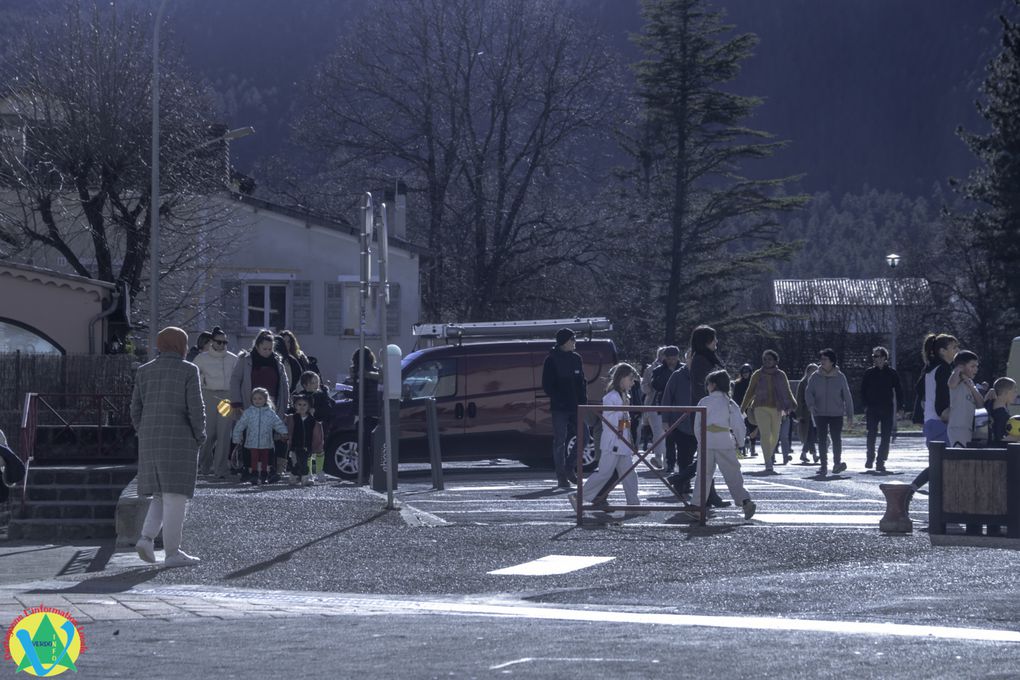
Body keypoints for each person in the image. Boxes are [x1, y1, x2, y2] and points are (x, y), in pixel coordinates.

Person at [130, 327, 206, 568]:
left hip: (150, 437)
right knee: (176, 497)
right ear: (181, 345)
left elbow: (135, 408)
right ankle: (172, 552)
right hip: (180, 437)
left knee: (160, 495)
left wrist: (142, 430)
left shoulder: (145, 371)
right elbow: (196, 407)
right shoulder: (188, 370)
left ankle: (146, 538)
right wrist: (199, 434)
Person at [569, 363, 645, 515]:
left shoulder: (623, 396)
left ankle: (633, 505)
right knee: (604, 473)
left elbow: (624, 423)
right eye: (630, 378)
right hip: (613, 444)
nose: (632, 382)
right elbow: (611, 420)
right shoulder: (611, 397)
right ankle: (578, 497)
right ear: (622, 378)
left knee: (630, 474)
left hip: (621, 444)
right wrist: (624, 409)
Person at [687, 369, 756, 521]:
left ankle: (697, 506)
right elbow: (739, 425)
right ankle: (745, 501)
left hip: (707, 441)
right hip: (725, 440)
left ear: (712, 385)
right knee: (733, 474)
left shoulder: (704, 402)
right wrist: (740, 441)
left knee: (703, 476)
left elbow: (697, 426)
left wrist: (700, 441)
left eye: (708, 384)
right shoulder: (730, 403)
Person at [230, 330, 291, 482]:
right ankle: (247, 470)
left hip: (271, 406)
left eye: (270, 349)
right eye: (264, 348)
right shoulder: (246, 359)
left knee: (269, 440)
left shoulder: (277, 361)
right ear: (257, 346)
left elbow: (284, 384)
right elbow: (235, 380)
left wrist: (284, 405)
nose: (267, 352)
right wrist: (237, 402)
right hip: (249, 405)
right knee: (248, 439)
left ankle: (268, 470)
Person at [910, 333, 959, 491]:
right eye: (953, 347)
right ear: (943, 351)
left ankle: (914, 489)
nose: (956, 350)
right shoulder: (944, 368)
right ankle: (912, 490)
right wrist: (946, 414)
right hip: (940, 421)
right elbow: (941, 398)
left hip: (931, 421)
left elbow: (920, 389)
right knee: (944, 463)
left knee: (939, 463)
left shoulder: (931, 367)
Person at [542, 328, 588, 489]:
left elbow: (582, 382)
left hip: (576, 407)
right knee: (559, 442)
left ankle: (570, 467)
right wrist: (561, 399)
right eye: (572, 339)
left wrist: (583, 402)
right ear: (564, 342)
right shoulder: (551, 360)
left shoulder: (576, 358)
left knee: (585, 436)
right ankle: (561, 476)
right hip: (560, 408)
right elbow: (547, 386)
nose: (575, 342)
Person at [739, 350, 796, 474]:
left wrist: (793, 403)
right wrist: (742, 408)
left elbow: (787, 390)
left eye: (770, 359)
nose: (767, 361)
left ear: (775, 361)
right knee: (765, 434)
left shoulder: (781, 374)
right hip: (760, 406)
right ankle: (768, 462)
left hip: (777, 408)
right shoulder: (757, 374)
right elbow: (750, 392)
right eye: (765, 359)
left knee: (775, 436)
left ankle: (768, 455)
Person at [193, 327, 238, 479]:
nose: (222, 345)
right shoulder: (201, 358)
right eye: (219, 342)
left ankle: (221, 469)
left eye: (225, 342)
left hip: (226, 397)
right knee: (209, 433)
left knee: (224, 432)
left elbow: (237, 379)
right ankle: (204, 466)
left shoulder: (232, 358)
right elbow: (193, 379)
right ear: (211, 342)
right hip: (208, 395)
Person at [805, 348, 854, 477]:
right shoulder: (815, 376)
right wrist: (811, 405)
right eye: (821, 359)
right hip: (820, 413)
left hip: (836, 413)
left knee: (836, 439)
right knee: (821, 440)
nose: (822, 362)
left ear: (832, 361)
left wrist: (850, 414)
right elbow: (808, 392)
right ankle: (823, 466)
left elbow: (847, 396)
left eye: (825, 359)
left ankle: (837, 464)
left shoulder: (840, 377)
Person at [859, 346, 904, 472]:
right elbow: (862, 390)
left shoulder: (891, 373)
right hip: (872, 408)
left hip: (887, 409)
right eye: (873, 356)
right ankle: (870, 457)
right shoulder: (869, 373)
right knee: (871, 434)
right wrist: (865, 405)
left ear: (884, 358)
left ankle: (881, 461)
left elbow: (899, 390)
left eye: (877, 356)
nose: (875, 359)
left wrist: (901, 407)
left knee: (886, 436)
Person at [232, 387, 289, 485]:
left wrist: (284, 432)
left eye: (260, 398)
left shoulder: (270, 413)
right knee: (253, 458)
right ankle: (254, 474)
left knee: (265, 459)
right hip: (252, 441)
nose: (257, 401)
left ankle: (264, 475)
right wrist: (236, 437)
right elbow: (240, 425)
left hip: (266, 441)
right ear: (251, 400)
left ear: (265, 400)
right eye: (255, 399)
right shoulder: (249, 412)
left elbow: (277, 423)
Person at [345, 347, 382, 481]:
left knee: (362, 447)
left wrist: (348, 386)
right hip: (376, 413)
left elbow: (358, 394)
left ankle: (364, 475)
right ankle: (374, 474)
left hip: (364, 414)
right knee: (373, 447)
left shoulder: (359, 375)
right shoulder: (376, 373)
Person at [294, 370, 335, 481]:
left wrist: (316, 411)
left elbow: (328, 409)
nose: (316, 384)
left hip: (319, 426)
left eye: (317, 381)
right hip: (305, 428)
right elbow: (295, 410)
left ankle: (319, 470)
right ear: (305, 384)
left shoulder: (321, 395)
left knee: (320, 449)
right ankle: (309, 472)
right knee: (307, 450)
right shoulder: (300, 396)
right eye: (313, 382)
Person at [650, 346, 682, 472]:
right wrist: (668, 373)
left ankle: (681, 463)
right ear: (665, 358)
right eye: (669, 359)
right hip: (664, 405)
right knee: (668, 437)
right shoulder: (659, 370)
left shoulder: (683, 369)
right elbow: (656, 385)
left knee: (681, 437)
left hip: (681, 406)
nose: (671, 361)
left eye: (674, 358)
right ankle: (669, 463)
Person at [946, 350, 983, 447]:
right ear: (961, 366)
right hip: (957, 427)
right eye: (972, 366)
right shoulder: (956, 380)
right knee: (960, 455)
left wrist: (971, 386)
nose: (976, 369)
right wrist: (957, 370)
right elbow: (951, 384)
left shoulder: (970, 383)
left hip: (969, 427)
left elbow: (980, 403)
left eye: (977, 366)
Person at [286, 393, 323, 486]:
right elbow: (287, 429)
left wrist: (315, 445)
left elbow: (316, 433)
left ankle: (303, 478)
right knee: (295, 462)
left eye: (304, 405)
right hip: (295, 446)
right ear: (295, 406)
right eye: (299, 405)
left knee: (304, 462)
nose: (302, 407)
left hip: (307, 445)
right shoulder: (292, 418)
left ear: (309, 406)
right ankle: (295, 477)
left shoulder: (312, 420)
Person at [641, 347, 668, 469]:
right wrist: (651, 386)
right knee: (658, 433)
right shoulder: (650, 369)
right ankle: (659, 458)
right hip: (654, 404)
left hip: (670, 405)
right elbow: (644, 387)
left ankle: (667, 459)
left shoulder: (676, 368)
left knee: (668, 434)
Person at [731, 364, 757, 457]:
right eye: (744, 372)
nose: (746, 374)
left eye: (747, 372)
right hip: (741, 408)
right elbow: (735, 397)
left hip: (751, 408)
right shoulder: (737, 383)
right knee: (741, 428)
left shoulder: (753, 383)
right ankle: (740, 449)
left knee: (753, 428)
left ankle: (753, 448)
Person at [795, 363, 819, 464]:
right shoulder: (803, 383)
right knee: (810, 434)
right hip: (806, 413)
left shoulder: (818, 382)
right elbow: (799, 399)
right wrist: (799, 414)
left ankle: (805, 454)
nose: (814, 372)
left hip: (815, 412)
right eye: (813, 370)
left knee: (812, 434)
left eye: (816, 370)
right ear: (808, 371)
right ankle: (813, 455)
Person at [985, 377, 1017, 445]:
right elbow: (1001, 436)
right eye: (1014, 391)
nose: (1016, 395)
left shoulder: (990, 405)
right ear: (1006, 392)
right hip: (999, 452)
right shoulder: (1001, 413)